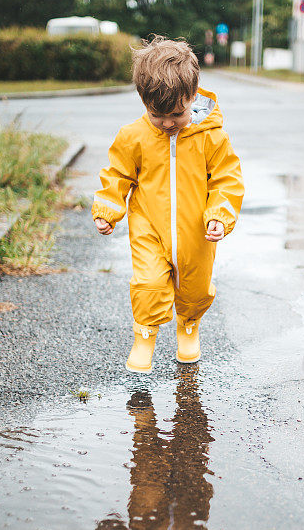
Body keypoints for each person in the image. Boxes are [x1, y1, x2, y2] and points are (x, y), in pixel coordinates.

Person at [92, 35, 245, 373]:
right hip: (149, 225)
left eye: (176, 114)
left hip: (196, 230)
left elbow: (227, 179)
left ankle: (188, 325)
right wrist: (107, 209)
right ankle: (144, 335)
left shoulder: (211, 136)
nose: (166, 123)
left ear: (192, 96)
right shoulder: (134, 135)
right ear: (143, 101)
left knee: (195, 286)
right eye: (156, 114)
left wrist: (220, 214)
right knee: (147, 283)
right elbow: (116, 173)